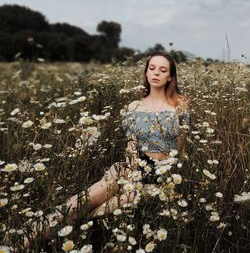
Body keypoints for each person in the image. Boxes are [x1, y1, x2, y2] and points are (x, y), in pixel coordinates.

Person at [23, 51, 191, 248]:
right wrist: (131, 171)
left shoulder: (180, 105)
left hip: (161, 177)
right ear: (146, 74)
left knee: (109, 205)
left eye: (163, 70)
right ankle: (23, 241)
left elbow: (180, 150)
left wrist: (168, 183)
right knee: (83, 200)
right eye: (151, 68)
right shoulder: (134, 106)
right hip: (130, 169)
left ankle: (69, 231)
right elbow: (131, 145)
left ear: (170, 76)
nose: (156, 73)